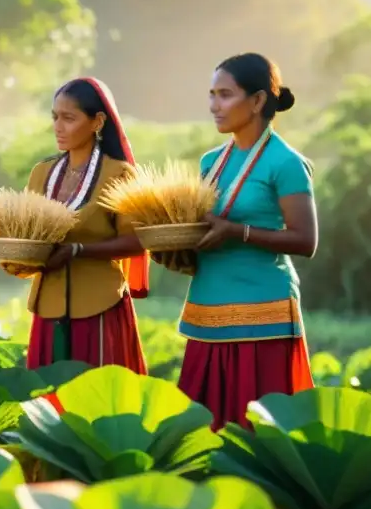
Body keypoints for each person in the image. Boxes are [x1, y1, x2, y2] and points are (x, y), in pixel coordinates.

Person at [175, 53, 316, 429]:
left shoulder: (286, 163)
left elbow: (305, 240)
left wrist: (238, 232)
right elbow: (204, 227)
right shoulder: (210, 162)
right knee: (201, 433)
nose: (213, 106)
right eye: (211, 94)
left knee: (258, 435)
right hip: (207, 309)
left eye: (224, 95)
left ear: (256, 101)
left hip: (262, 313)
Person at [24, 77, 150, 374]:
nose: (58, 126)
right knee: (46, 401)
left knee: (98, 400)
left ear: (98, 121)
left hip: (99, 305)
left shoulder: (120, 174)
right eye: (55, 117)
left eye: (69, 118)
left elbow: (136, 242)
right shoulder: (41, 173)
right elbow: (26, 232)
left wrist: (78, 250)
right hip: (48, 304)